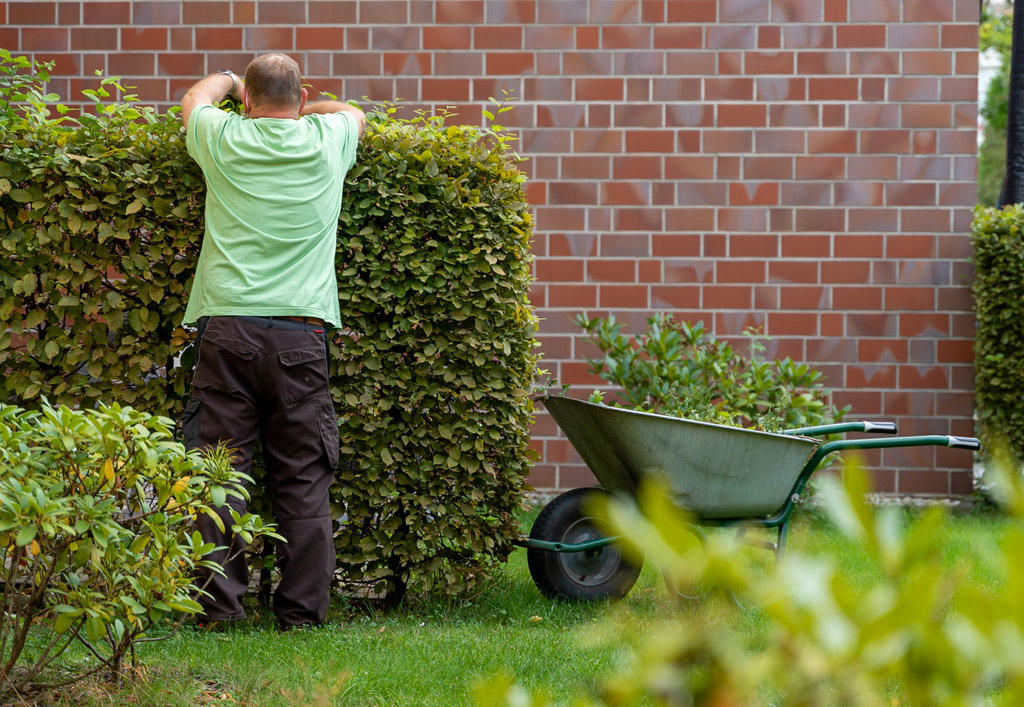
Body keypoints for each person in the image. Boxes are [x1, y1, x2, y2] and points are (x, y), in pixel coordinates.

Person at [178, 53, 366, 631]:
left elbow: (193, 102)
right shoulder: (326, 137)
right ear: (302, 100)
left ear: (249, 103)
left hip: (227, 328)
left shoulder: (225, 136)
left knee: (219, 474)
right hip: (301, 333)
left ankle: (217, 611)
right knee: (304, 478)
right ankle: (302, 616)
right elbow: (357, 114)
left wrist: (232, 85)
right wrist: (311, 106)